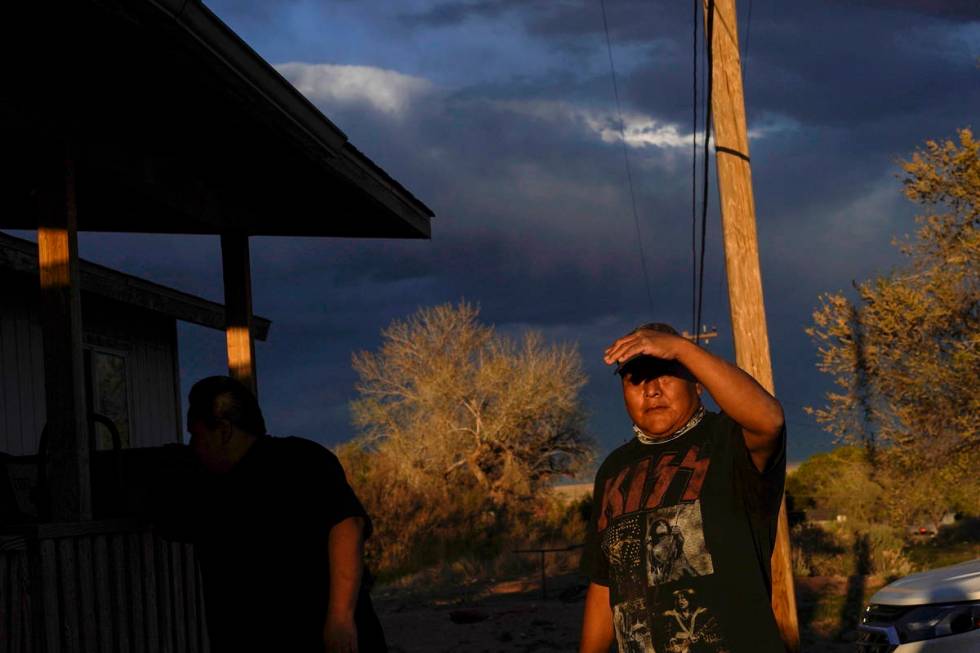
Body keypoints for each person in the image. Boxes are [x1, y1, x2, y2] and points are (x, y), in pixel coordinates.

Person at [578, 323, 785, 653]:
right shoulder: (613, 470)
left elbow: (770, 420)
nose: (652, 390)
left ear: (698, 382)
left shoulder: (728, 442)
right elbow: (605, 584)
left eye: (666, 373)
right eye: (636, 379)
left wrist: (681, 349)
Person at [167, 375, 386, 653]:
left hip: (320, 639)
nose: (193, 447)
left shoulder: (299, 461)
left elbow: (347, 525)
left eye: (196, 435)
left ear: (223, 430)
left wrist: (340, 621)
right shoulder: (206, 488)